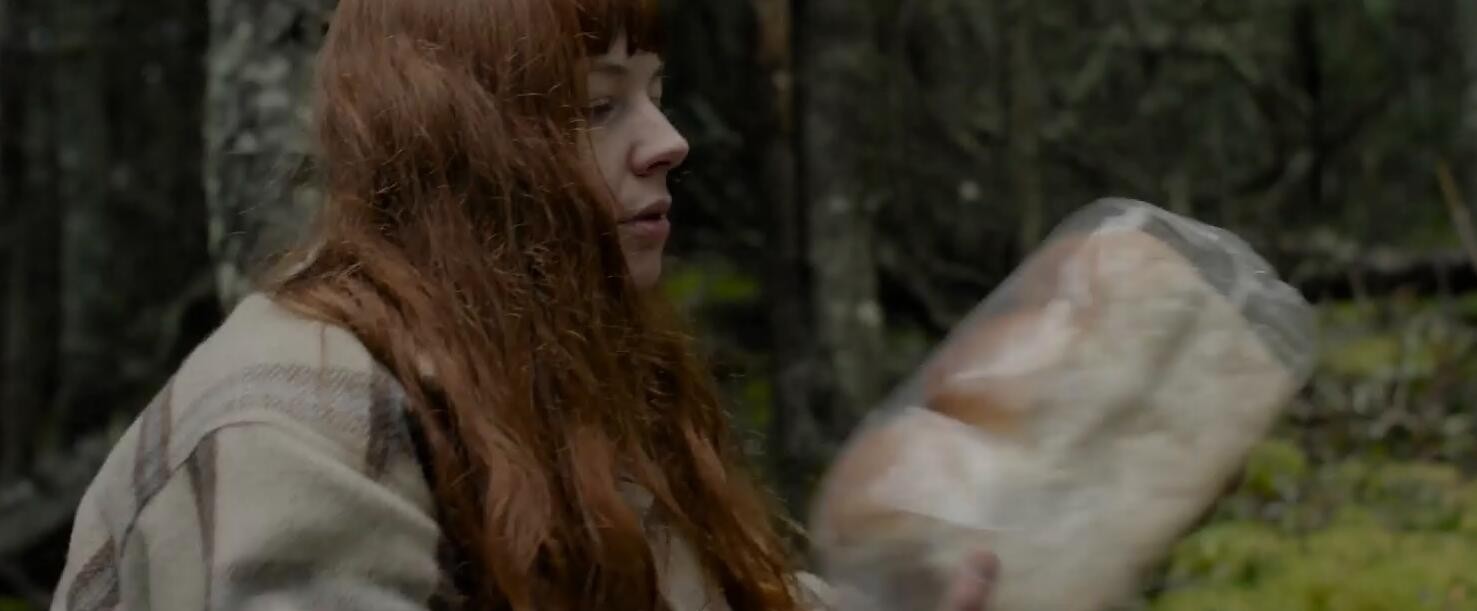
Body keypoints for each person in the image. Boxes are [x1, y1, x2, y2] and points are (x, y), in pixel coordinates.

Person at [50, 0, 996, 609]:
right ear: (456, 146)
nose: (669, 141)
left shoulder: (531, 373)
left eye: (655, 94)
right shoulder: (295, 420)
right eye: (598, 107)